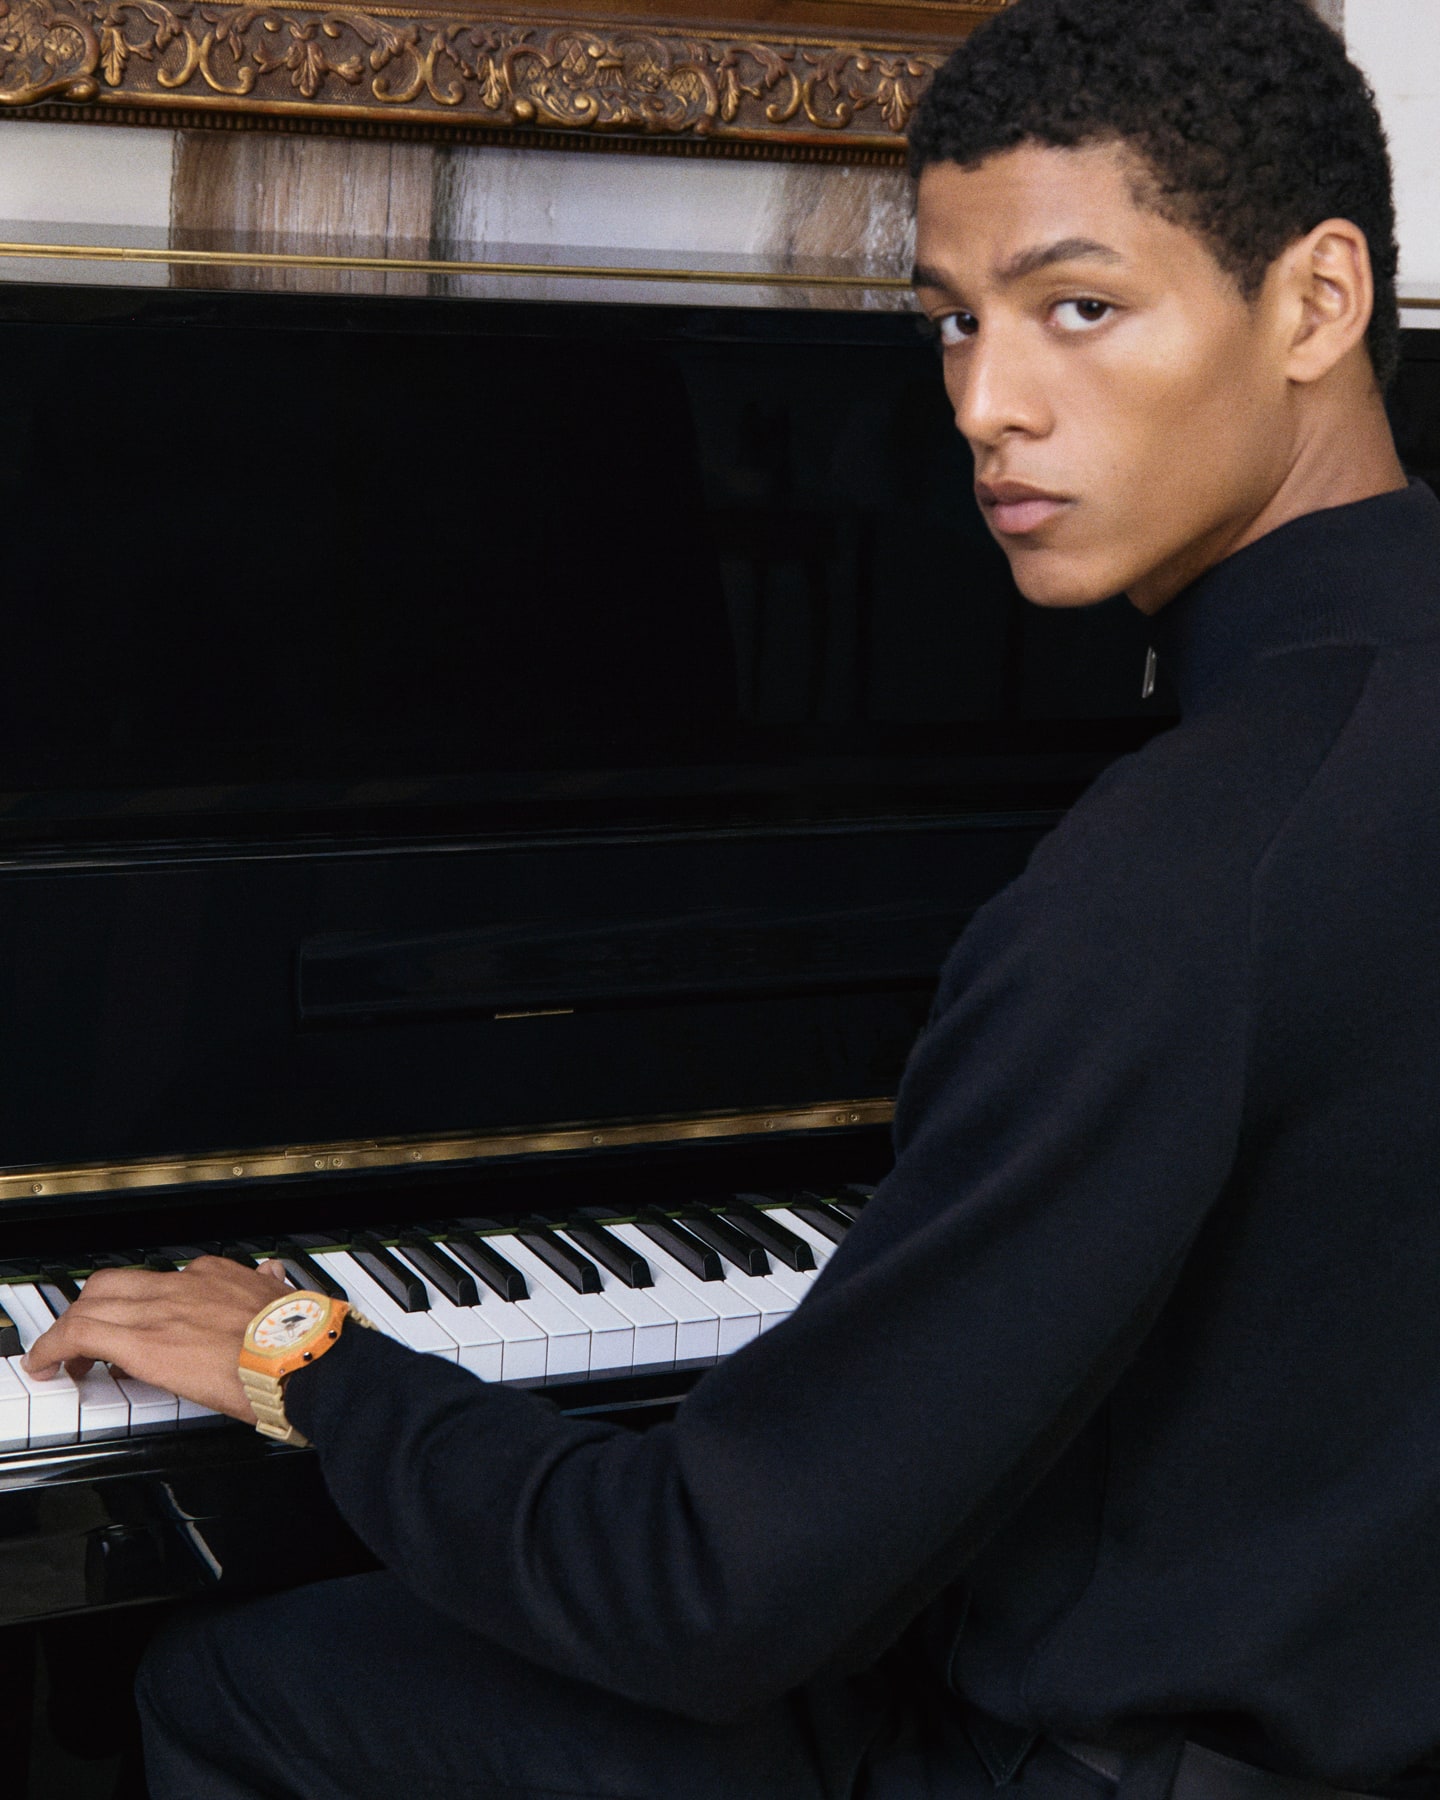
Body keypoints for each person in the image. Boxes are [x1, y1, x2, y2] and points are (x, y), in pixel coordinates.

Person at [27, 0, 1440, 1795]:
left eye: (1080, 307)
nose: (986, 404)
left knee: (247, 1684)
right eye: (952, 318)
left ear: (1317, 302)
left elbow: (704, 1593)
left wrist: (305, 1348)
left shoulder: (1181, 873)